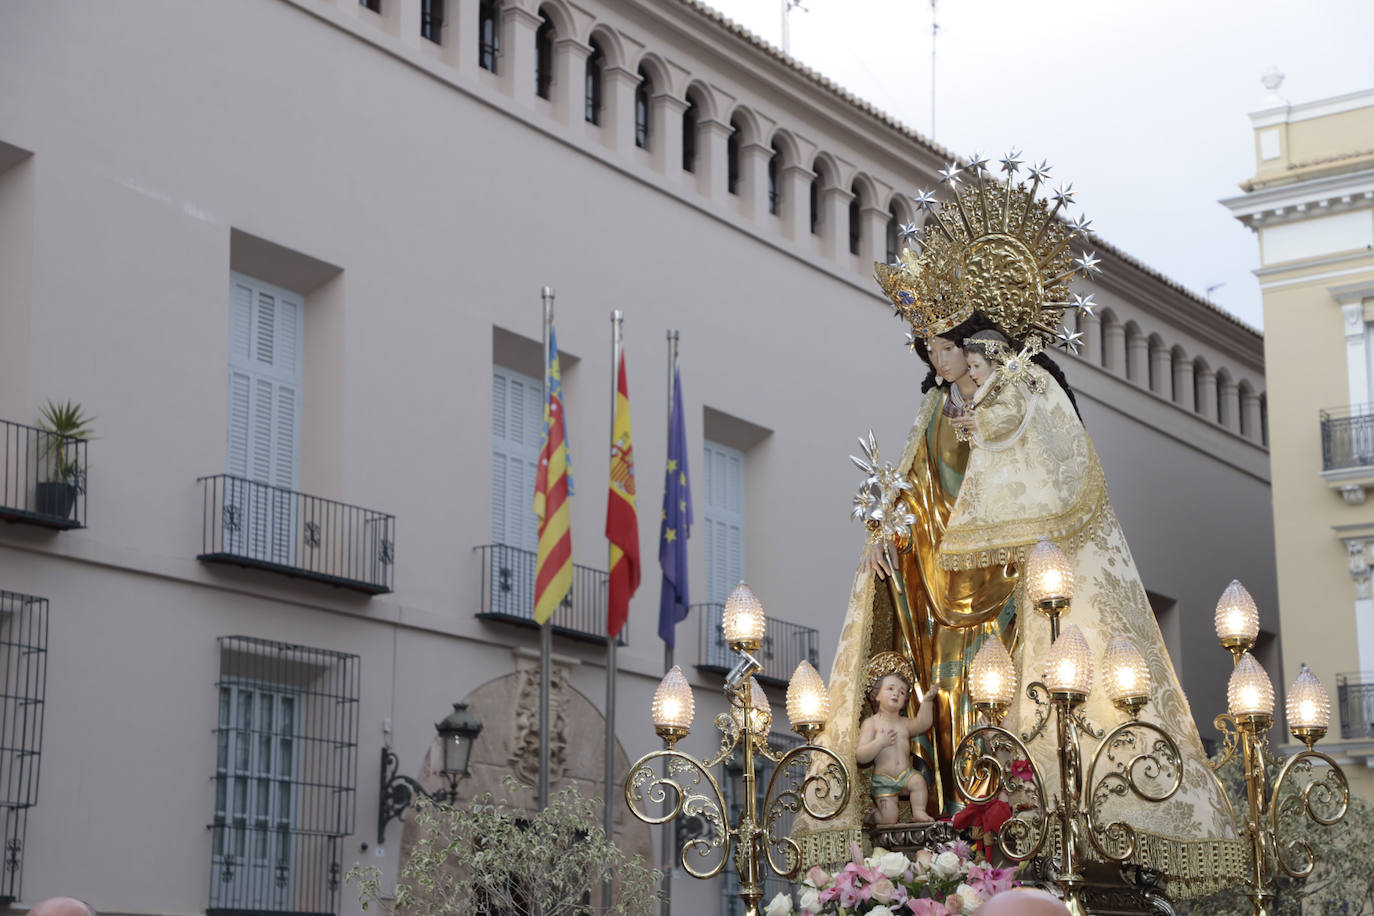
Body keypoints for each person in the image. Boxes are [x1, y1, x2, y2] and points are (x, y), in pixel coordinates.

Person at [791, 164, 1242, 903]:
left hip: (1009, 590)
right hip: (939, 593)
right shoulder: (933, 411)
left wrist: (993, 437)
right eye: (925, 350)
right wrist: (886, 537)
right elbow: (911, 493)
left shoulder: (1026, 390)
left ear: (972, 338)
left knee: (1009, 700)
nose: (934, 362)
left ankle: (1020, 816)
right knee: (943, 701)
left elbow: (1058, 474)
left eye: (941, 346)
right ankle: (943, 822)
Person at [856, 652, 935, 824]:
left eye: (901, 692)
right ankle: (872, 816)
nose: (896, 694)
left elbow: (923, 723)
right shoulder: (871, 723)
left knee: (918, 781)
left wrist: (927, 701)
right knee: (890, 819)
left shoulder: (904, 723)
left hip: (905, 775)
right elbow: (860, 755)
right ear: (876, 694)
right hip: (884, 779)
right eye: (890, 689)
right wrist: (879, 743)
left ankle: (919, 812)